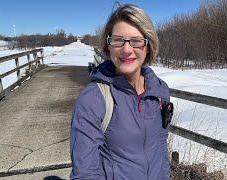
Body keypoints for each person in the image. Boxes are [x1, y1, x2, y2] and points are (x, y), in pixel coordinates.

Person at [70, 4, 171, 180]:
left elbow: (160, 153)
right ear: (108, 46)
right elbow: (86, 174)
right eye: (118, 40)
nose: (126, 49)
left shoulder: (159, 92)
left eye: (136, 40)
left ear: (148, 46)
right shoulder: (94, 99)